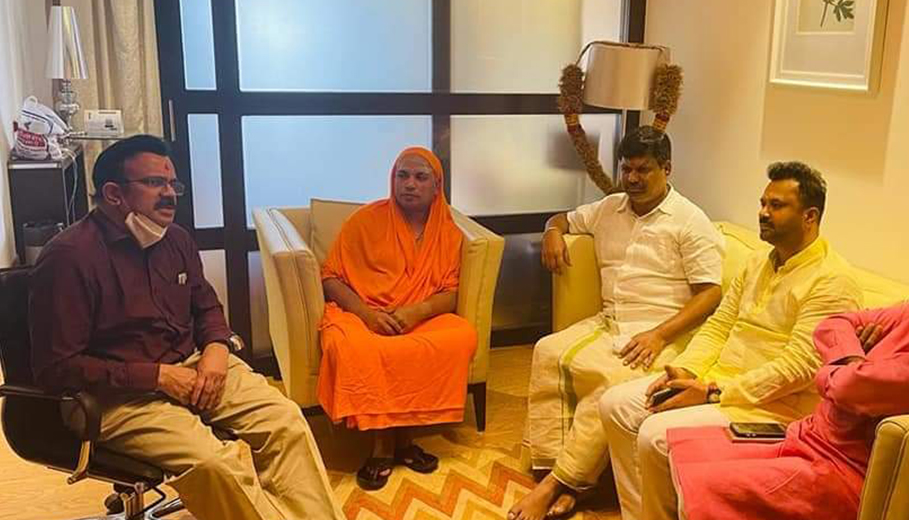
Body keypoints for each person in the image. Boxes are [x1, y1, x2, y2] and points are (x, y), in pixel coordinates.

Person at [29, 135, 344, 520]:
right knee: (216, 463)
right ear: (113, 194)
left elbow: (206, 305)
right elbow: (56, 369)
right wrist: (159, 377)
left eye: (172, 184)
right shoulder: (69, 258)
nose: (169, 194)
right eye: (154, 183)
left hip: (195, 366)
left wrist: (217, 349)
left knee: (287, 423)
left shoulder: (175, 239)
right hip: (114, 397)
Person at [666, 230, 909, 520]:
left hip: (846, 470)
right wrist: (855, 357)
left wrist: (850, 368)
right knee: (676, 448)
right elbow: (836, 323)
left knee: (703, 483)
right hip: (809, 437)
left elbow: (849, 387)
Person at [599, 161, 863, 520]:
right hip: (718, 384)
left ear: (810, 216)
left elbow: (800, 368)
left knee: (655, 435)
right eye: (763, 203)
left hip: (774, 409)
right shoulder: (757, 262)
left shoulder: (832, 280)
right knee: (615, 404)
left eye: (776, 205)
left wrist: (712, 392)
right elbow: (719, 325)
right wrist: (686, 370)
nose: (763, 213)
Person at [509, 126, 727, 520]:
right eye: (627, 169)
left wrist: (659, 334)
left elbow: (710, 293)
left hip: (664, 331)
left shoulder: (690, 221)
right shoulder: (610, 208)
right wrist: (552, 231)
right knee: (548, 350)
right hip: (610, 321)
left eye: (644, 170)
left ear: (667, 168)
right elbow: (562, 218)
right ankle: (564, 473)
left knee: (612, 381)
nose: (633, 178)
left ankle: (559, 484)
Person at [318, 147, 477, 491]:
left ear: (437, 186)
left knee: (460, 335)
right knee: (353, 347)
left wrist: (415, 312)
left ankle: (406, 440)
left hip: (418, 315)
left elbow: (451, 292)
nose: (410, 184)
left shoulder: (448, 232)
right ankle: (383, 446)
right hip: (363, 313)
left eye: (420, 177)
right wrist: (367, 315)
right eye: (402, 176)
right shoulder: (365, 220)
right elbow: (330, 278)